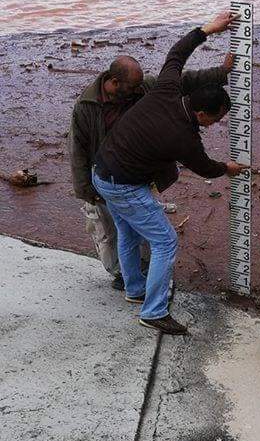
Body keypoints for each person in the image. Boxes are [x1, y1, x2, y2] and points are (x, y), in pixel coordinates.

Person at [92, 11, 246, 336]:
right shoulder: (185, 138)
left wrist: (208, 29)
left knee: (129, 233)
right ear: (202, 114)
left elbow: (177, 53)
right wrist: (228, 168)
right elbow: (205, 167)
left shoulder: (166, 88)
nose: (214, 125)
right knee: (165, 241)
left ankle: (135, 291)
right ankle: (154, 311)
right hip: (123, 186)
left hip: (102, 173)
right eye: (215, 120)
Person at [69, 48, 234, 289]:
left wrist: (221, 73)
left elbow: (185, 80)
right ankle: (125, 279)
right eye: (134, 87)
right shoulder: (86, 107)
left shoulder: (141, 86)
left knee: (136, 230)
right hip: (103, 177)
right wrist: (86, 191)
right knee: (112, 233)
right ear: (114, 82)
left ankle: (138, 278)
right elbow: (77, 152)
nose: (139, 90)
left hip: (135, 175)